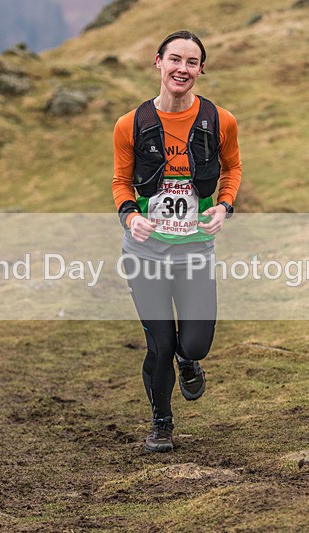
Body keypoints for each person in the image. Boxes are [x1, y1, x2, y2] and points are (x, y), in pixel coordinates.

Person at [111, 30, 242, 452]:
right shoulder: (131, 124)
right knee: (160, 343)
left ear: (201, 69)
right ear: (158, 62)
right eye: (175, 60)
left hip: (195, 249)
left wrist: (223, 206)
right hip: (145, 252)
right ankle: (161, 423)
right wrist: (130, 217)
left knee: (194, 344)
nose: (181, 69)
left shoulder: (221, 121)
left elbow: (232, 169)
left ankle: (189, 362)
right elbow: (120, 181)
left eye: (191, 62)